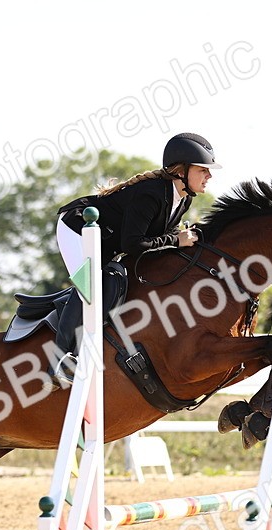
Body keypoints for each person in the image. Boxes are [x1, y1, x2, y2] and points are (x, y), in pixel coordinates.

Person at [48, 132, 221, 384]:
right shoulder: (150, 194)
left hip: (106, 240)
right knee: (93, 282)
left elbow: (157, 245)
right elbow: (134, 243)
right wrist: (177, 240)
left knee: (115, 277)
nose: (209, 176)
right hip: (77, 228)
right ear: (181, 170)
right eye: (203, 169)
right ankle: (61, 359)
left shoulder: (181, 200)